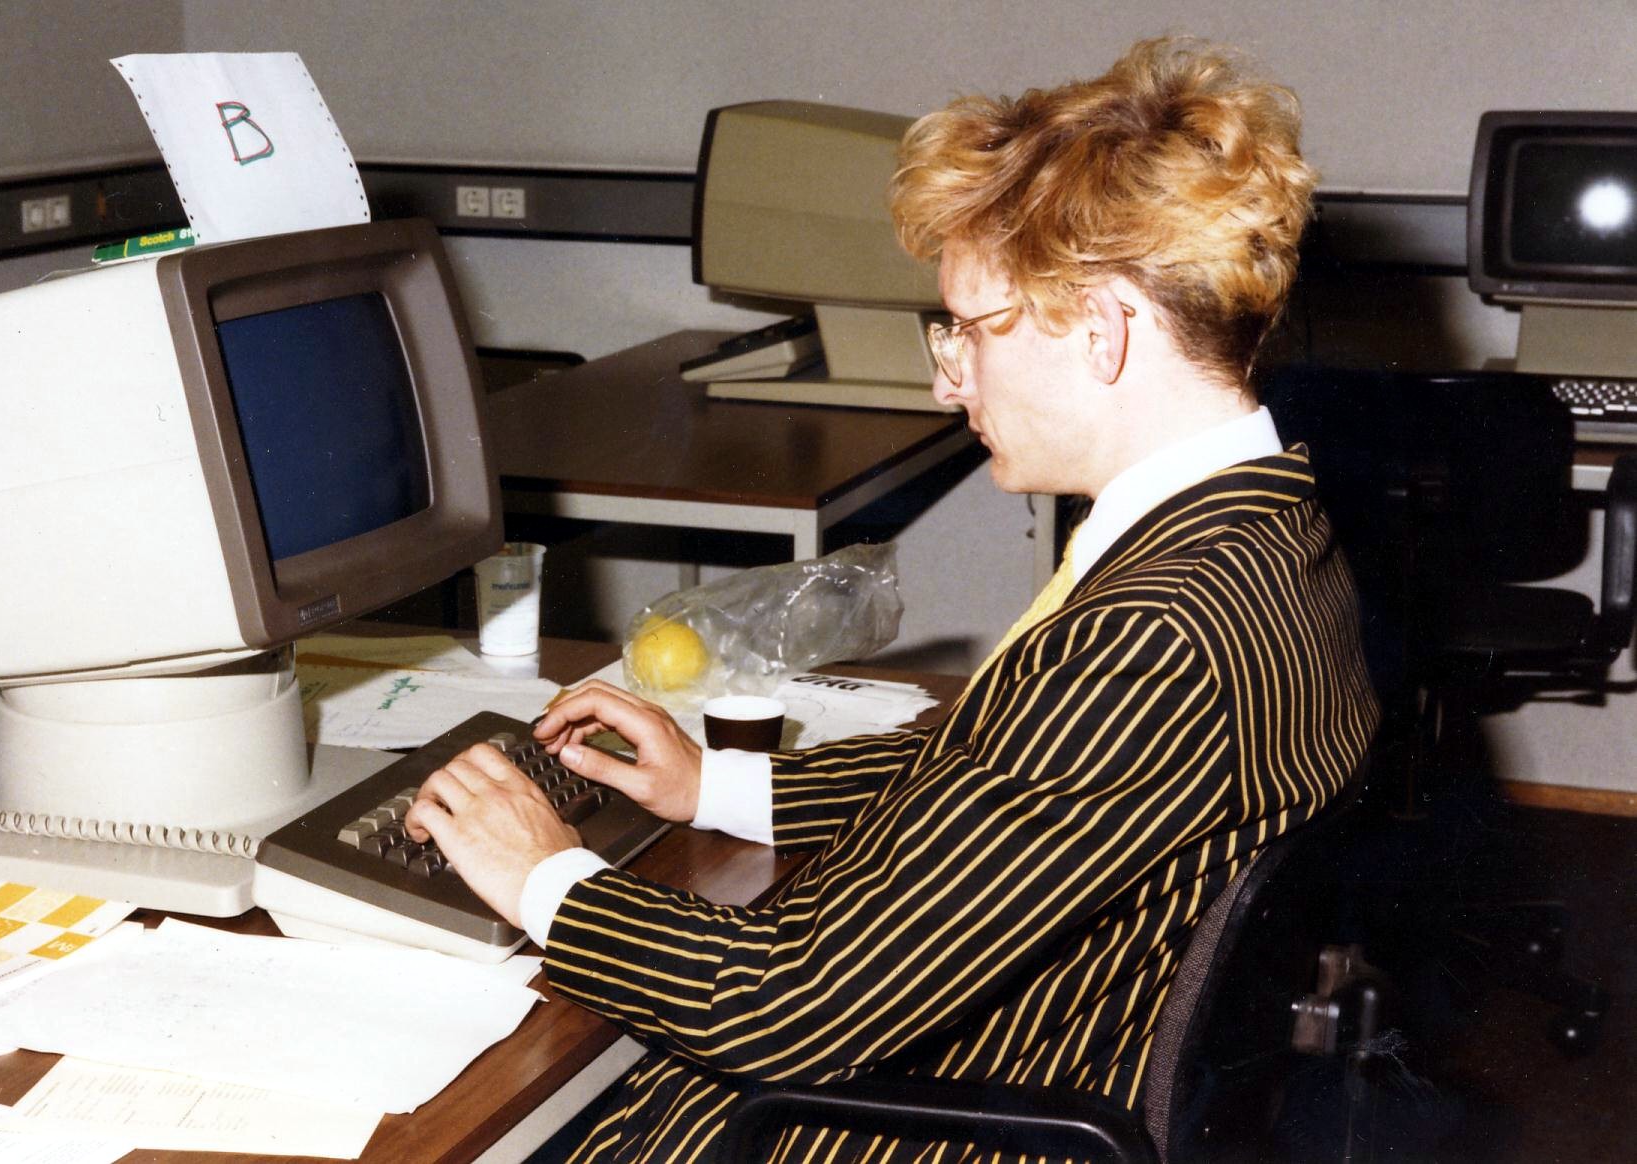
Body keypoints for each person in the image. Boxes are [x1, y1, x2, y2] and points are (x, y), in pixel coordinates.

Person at [405, 36, 1379, 1163]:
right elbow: (1003, 768)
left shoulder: (1154, 633)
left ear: (1102, 330)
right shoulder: (1265, 530)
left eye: (969, 329)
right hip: (1031, 1058)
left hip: (917, 1122)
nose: (943, 377)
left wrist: (547, 882)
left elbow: (791, 1014)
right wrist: (713, 782)